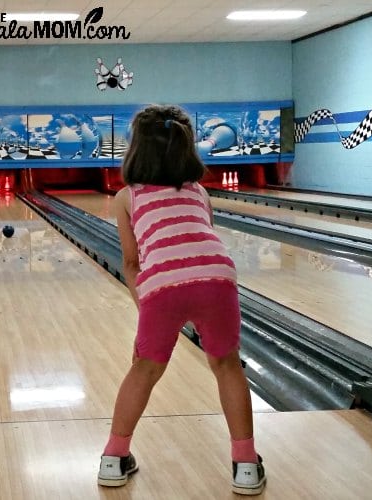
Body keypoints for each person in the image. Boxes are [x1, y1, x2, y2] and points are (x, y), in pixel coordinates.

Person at [97, 105, 266, 495]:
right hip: (218, 275)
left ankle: (113, 457)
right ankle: (245, 465)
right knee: (226, 365)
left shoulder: (127, 197)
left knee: (143, 369)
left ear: (135, 150)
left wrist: (148, 308)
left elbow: (131, 261)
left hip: (162, 284)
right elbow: (200, 237)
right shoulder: (199, 190)